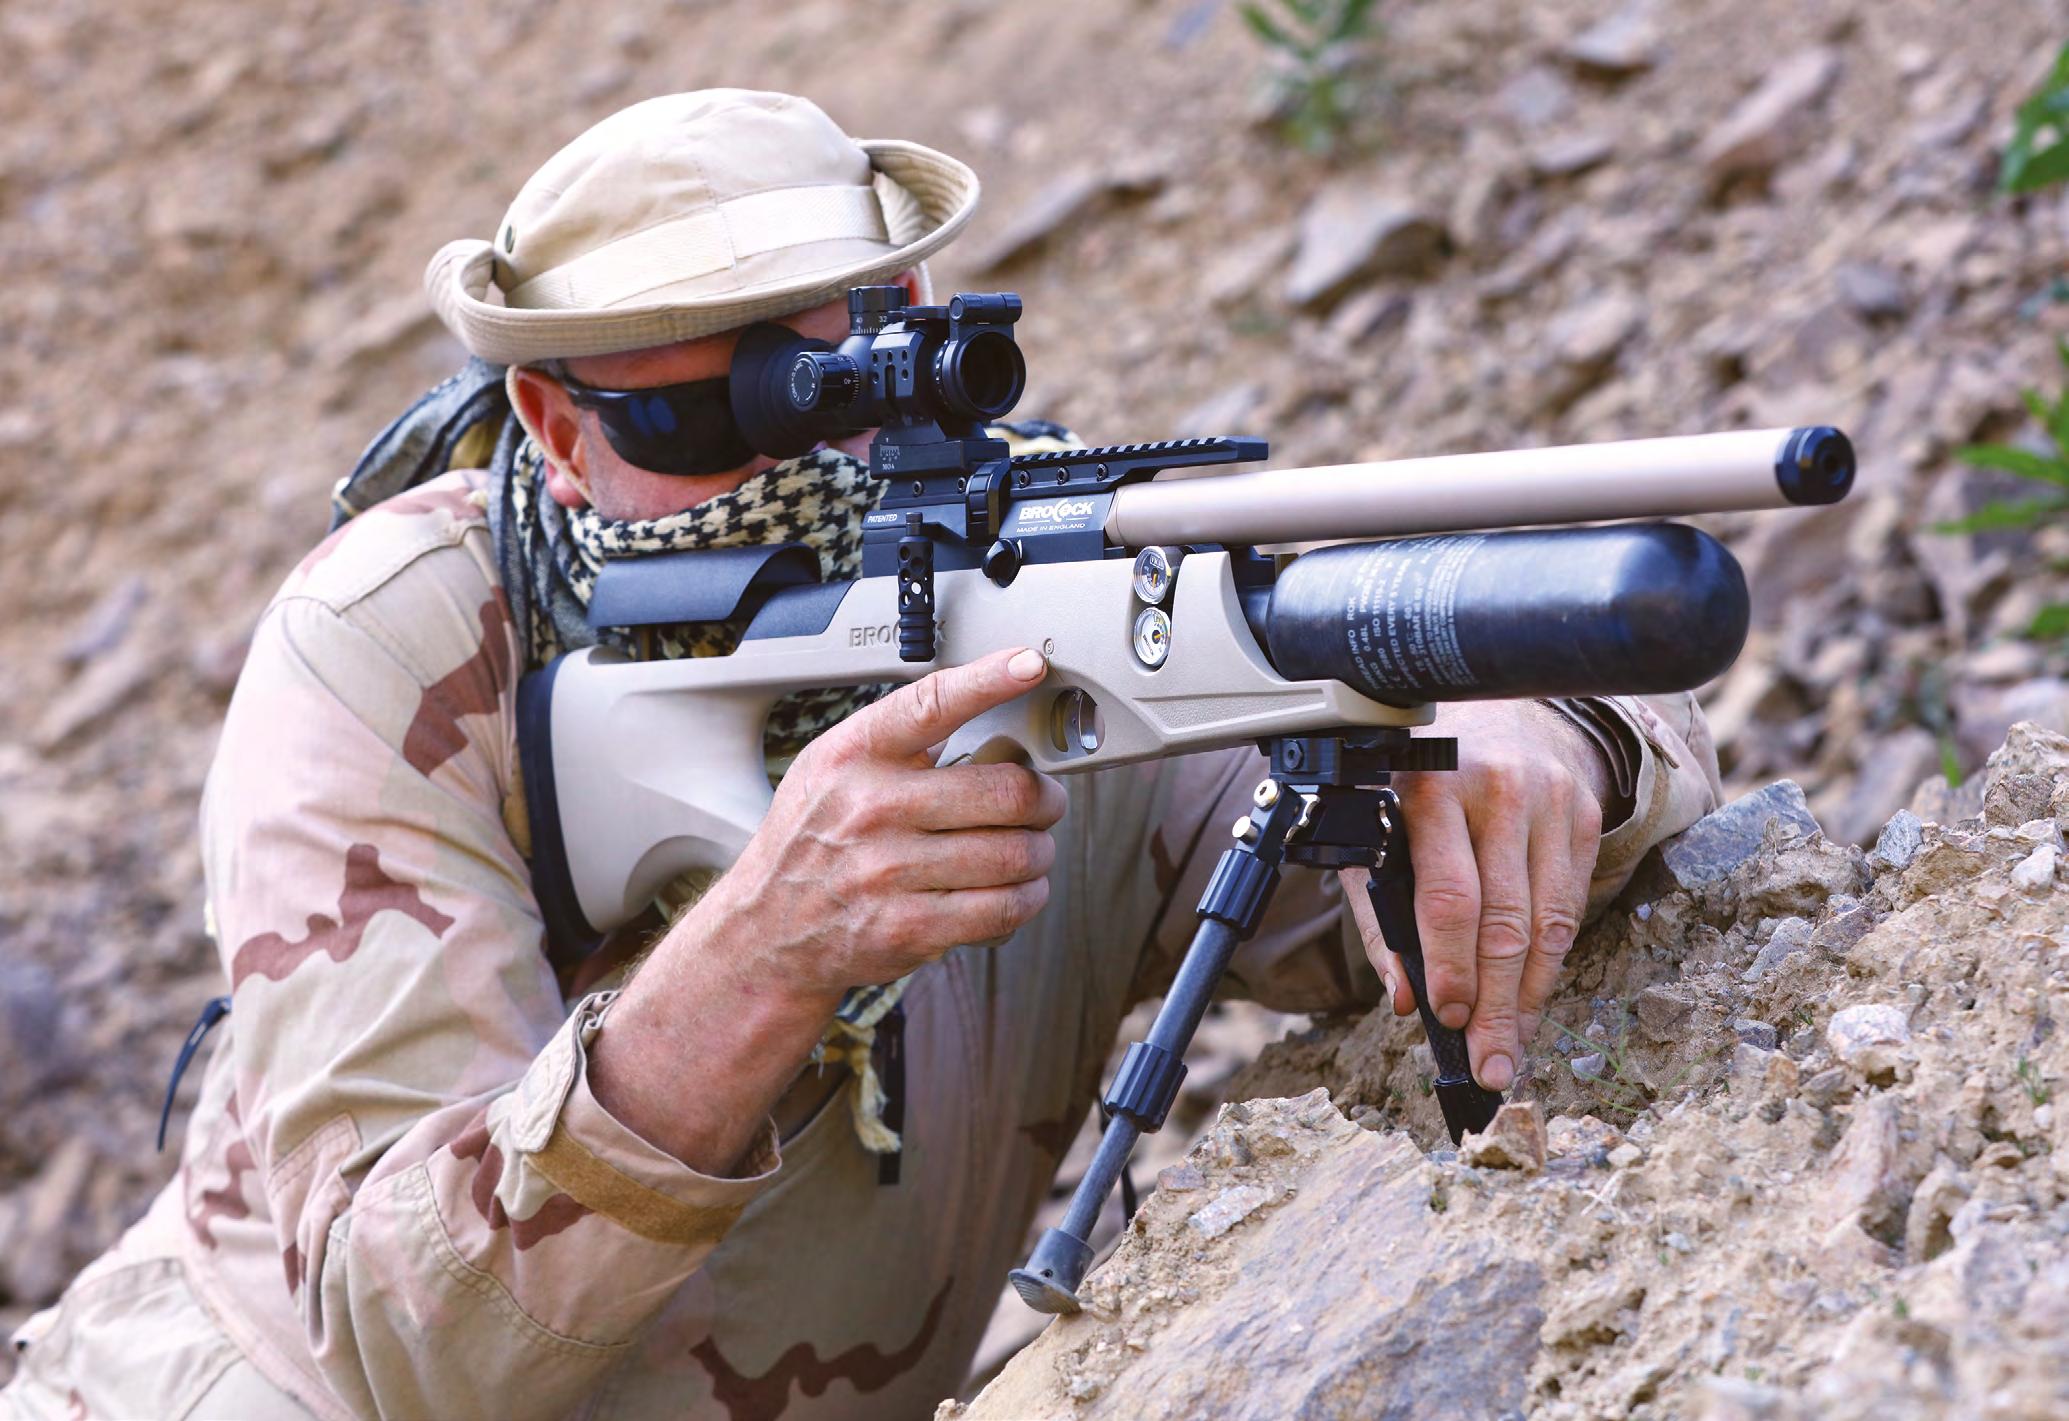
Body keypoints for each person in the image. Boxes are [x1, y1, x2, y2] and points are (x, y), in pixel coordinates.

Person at [1, 90, 1722, 1420]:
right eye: (706, 416)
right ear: (553, 423)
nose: (802, 465)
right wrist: (762, 950)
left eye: (854, 367)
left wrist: (1520, 718)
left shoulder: (1044, 588)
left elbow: (1372, 908)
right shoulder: (399, 641)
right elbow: (407, 1351)